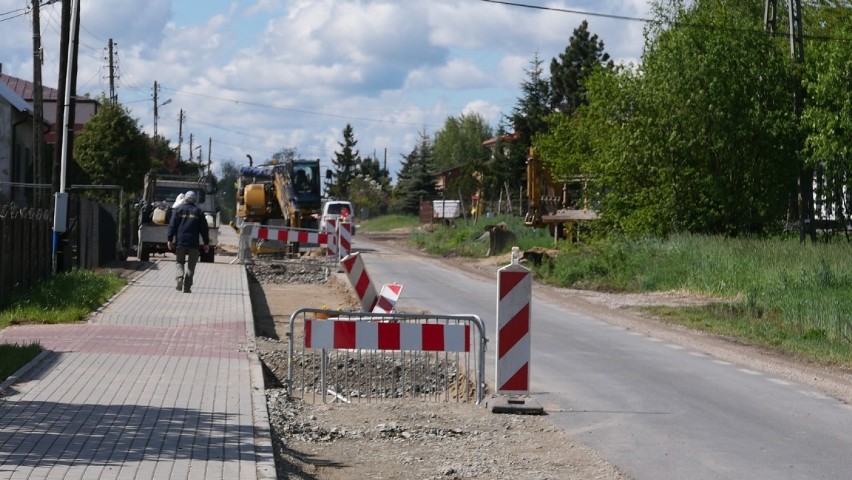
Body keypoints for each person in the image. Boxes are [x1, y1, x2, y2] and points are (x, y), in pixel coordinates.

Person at [167, 190, 210, 293]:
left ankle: (179, 278)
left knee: (179, 262)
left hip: (181, 242)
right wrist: (206, 242)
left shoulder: (178, 210)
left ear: (185, 199)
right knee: (191, 267)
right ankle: (187, 288)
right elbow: (204, 229)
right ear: (195, 200)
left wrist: (170, 239)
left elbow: (172, 226)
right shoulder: (198, 212)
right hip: (193, 244)